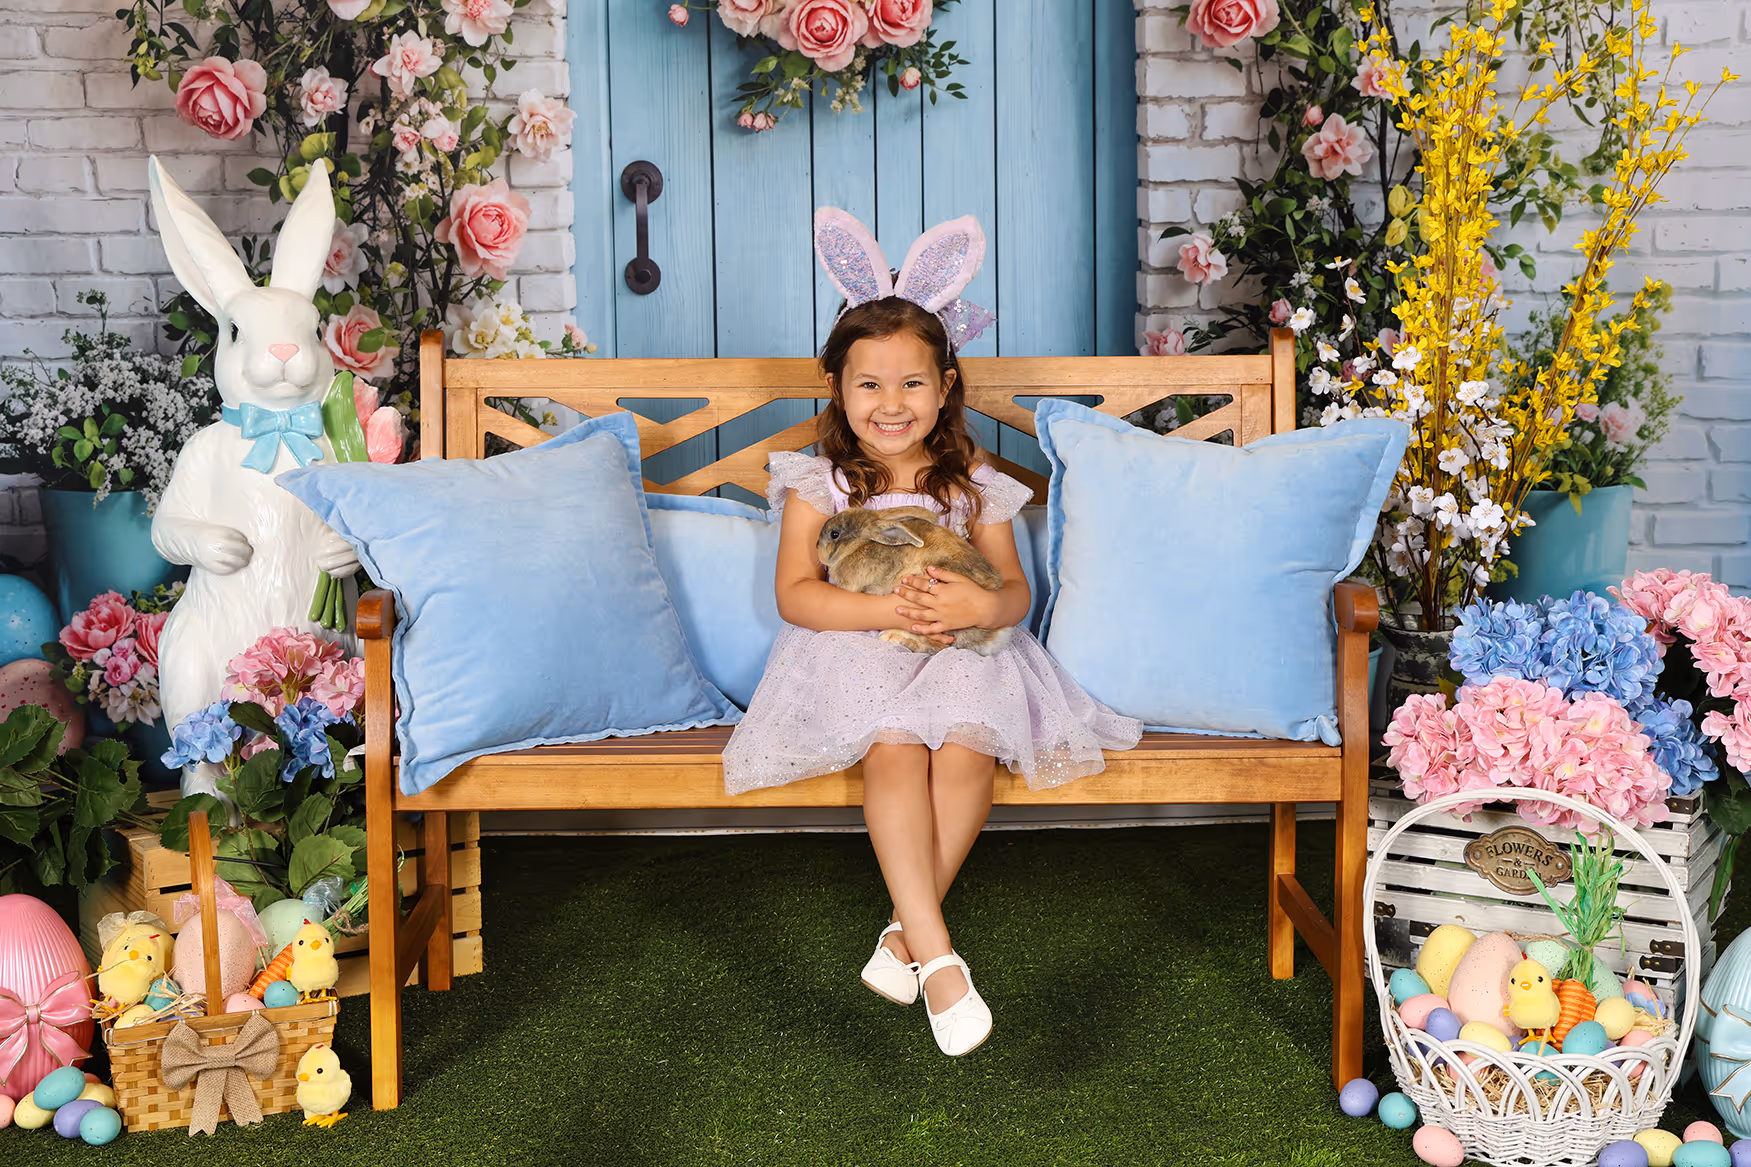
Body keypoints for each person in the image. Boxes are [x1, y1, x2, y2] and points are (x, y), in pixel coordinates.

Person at [722, 209, 1141, 1057]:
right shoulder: (820, 480)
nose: (890, 403)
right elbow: (798, 597)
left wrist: (975, 608)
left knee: (965, 746)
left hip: (966, 652)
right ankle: (939, 956)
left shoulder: (973, 484)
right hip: (854, 652)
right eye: (869, 384)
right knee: (893, 747)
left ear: (946, 387)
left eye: (912, 383)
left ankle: (900, 938)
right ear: (836, 388)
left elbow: (1012, 591)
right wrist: (891, 610)